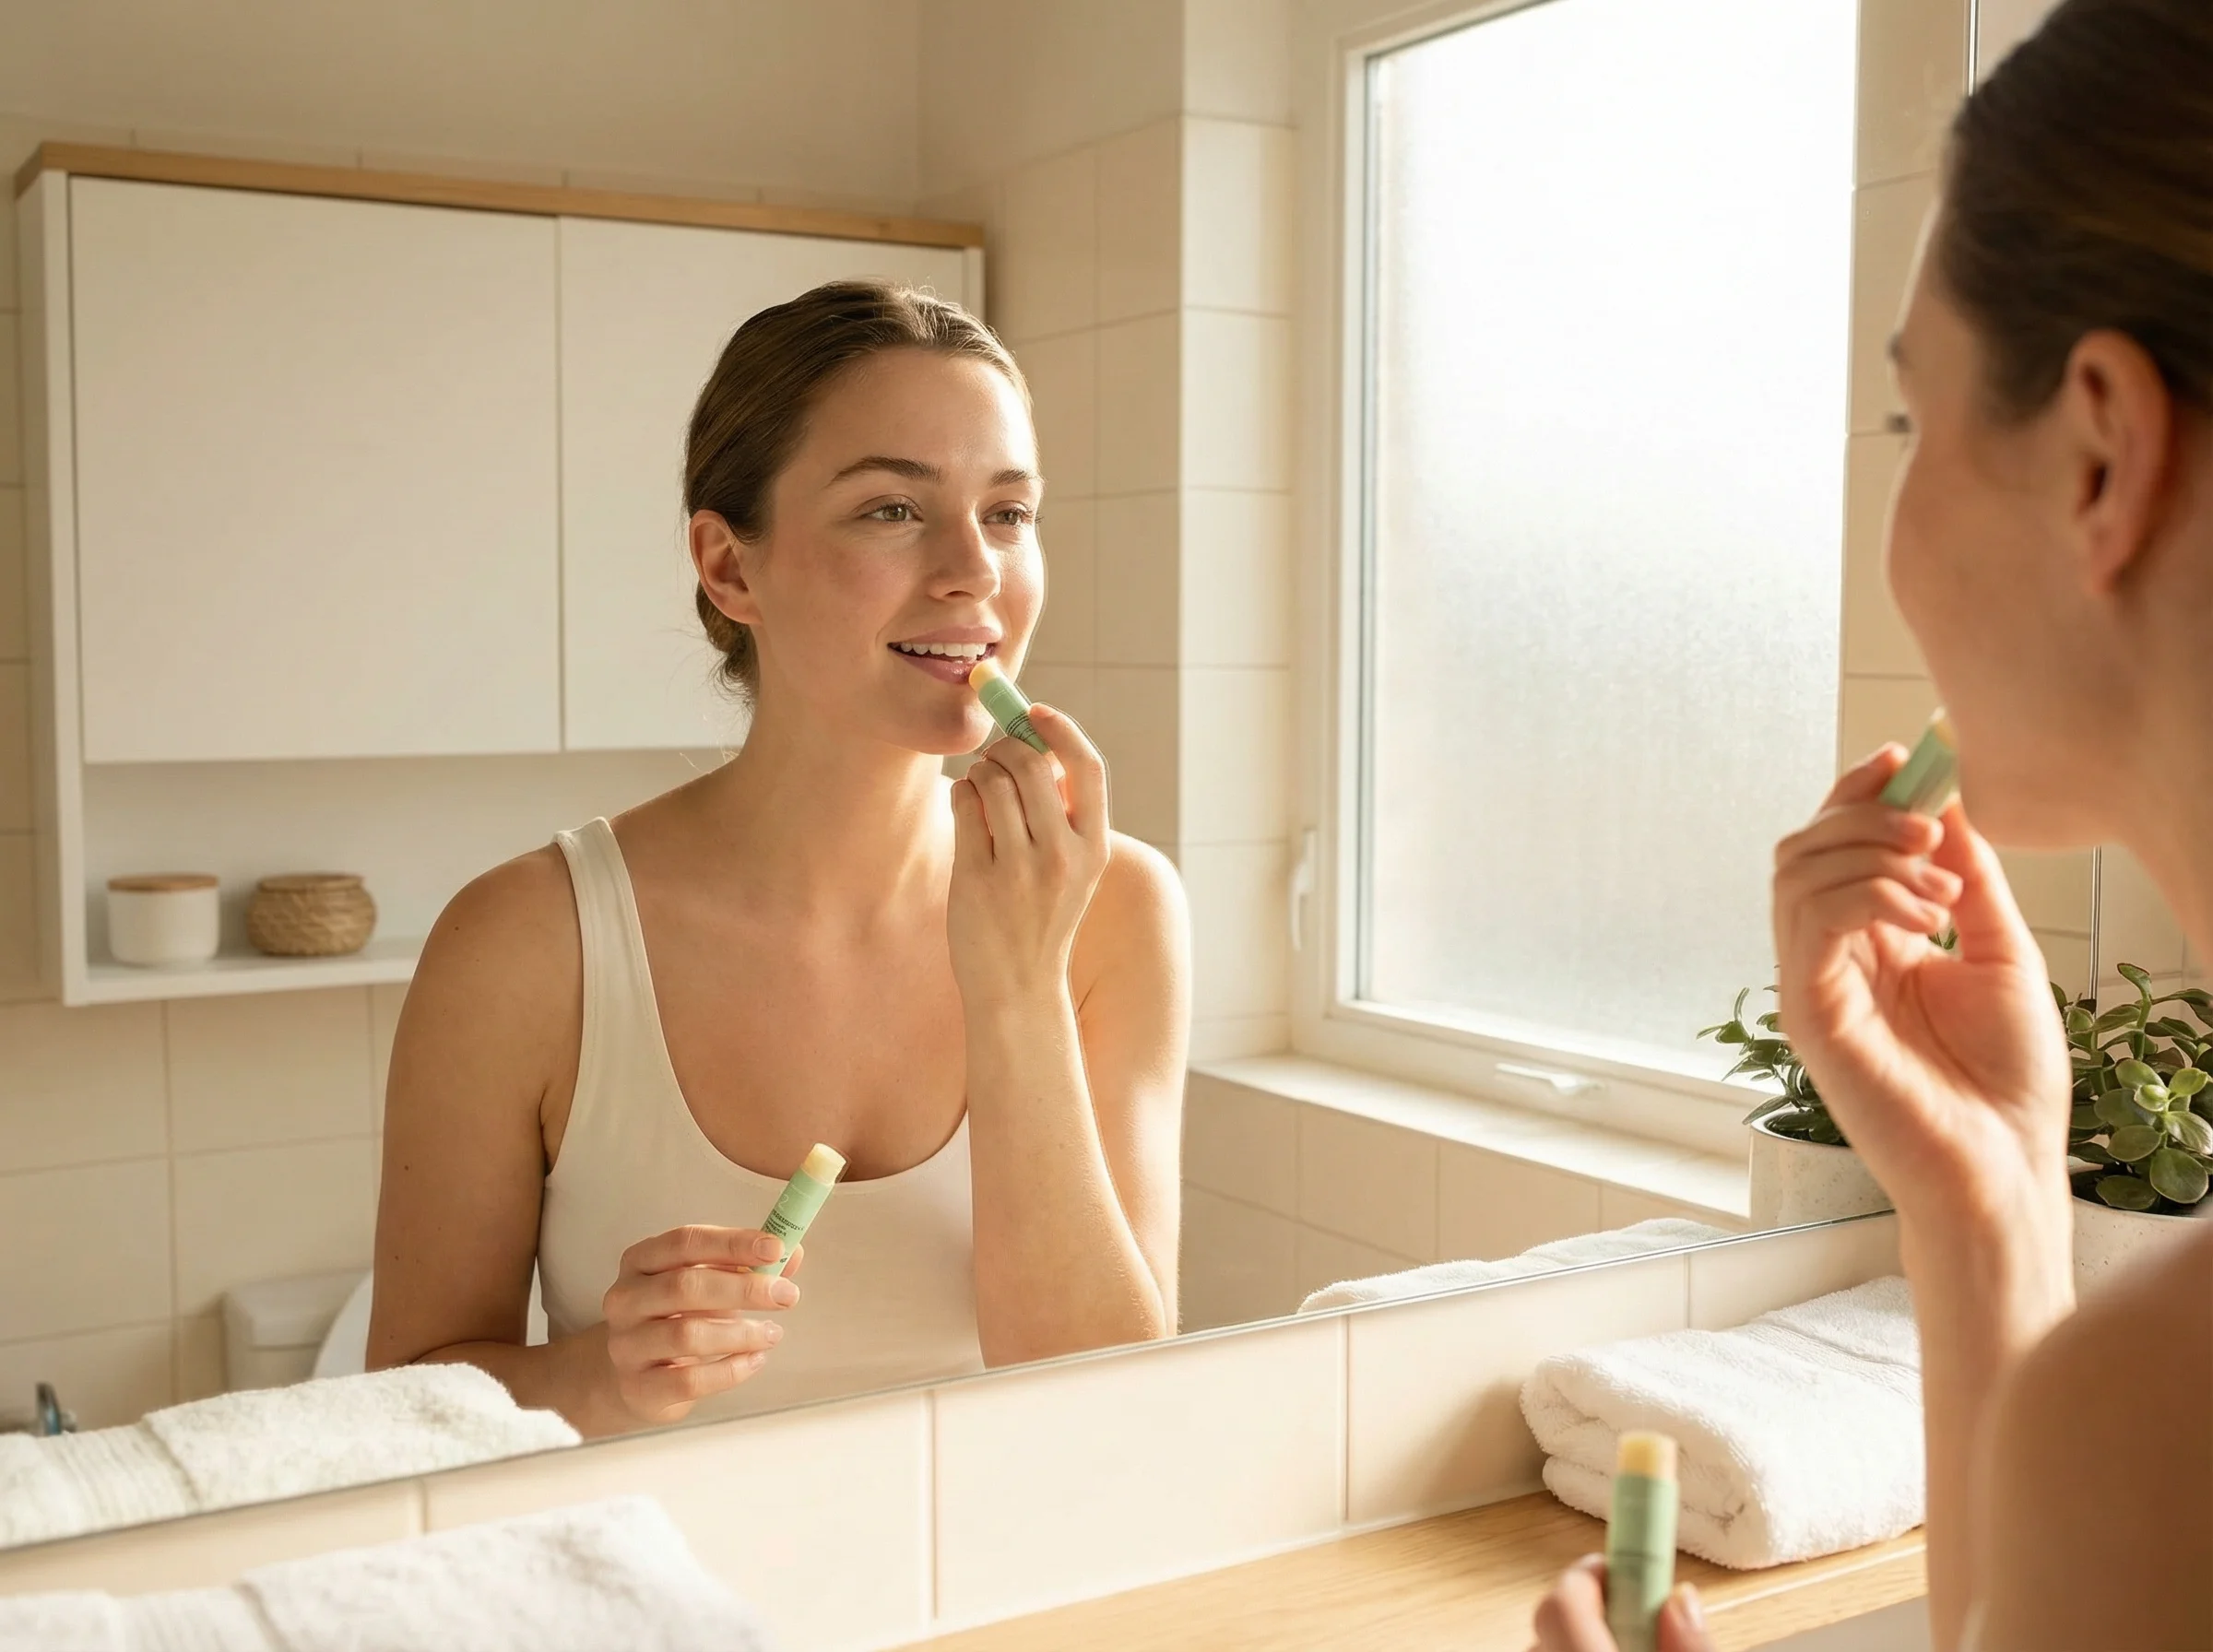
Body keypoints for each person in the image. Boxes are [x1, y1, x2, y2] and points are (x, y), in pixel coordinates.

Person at [1533, 1, 2213, 1646]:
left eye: (1915, 424)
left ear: (2102, 455)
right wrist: (1988, 1199)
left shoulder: (2168, 1418)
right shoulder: (2141, 1423)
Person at [368, 282, 1190, 1437]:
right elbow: (401, 1409)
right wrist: (603, 1375)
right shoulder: (527, 943)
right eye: (892, 509)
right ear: (730, 567)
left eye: (1009, 512)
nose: (975, 570)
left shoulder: (1113, 909)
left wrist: (1017, 986)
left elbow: (1115, 1410)